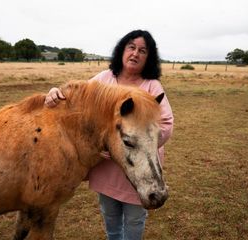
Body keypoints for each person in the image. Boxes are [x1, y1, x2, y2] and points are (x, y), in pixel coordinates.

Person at [45, 30, 174, 240]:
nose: (135, 53)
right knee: (110, 218)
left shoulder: (152, 86)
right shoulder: (104, 80)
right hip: (105, 169)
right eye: (131, 47)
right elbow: (74, 102)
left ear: (148, 58)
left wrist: (133, 144)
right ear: (122, 50)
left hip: (140, 169)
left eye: (142, 50)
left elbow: (167, 124)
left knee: (134, 221)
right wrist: (53, 92)